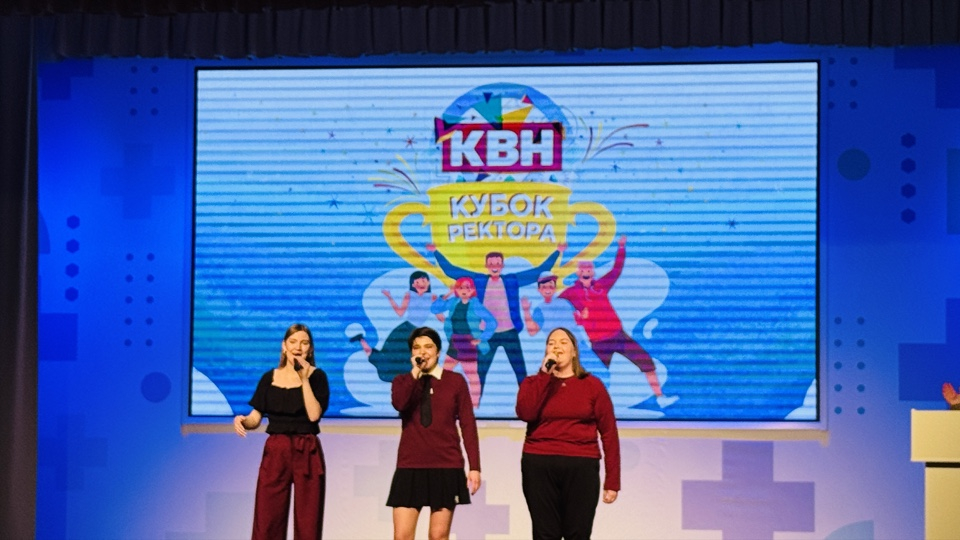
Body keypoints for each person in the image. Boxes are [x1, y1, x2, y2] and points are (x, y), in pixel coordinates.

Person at [515, 327, 620, 540]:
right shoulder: (533, 383)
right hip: (539, 464)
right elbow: (526, 412)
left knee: (578, 533)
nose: (557, 347)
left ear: (574, 352)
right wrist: (544, 375)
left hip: (581, 466)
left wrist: (612, 481)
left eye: (563, 342)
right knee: (545, 533)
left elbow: (609, 432)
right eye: (551, 343)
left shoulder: (592, 386)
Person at [234, 323, 330, 540]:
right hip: (277, 449)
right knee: (268, 517)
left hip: (307, 449)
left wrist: (304, 379)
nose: (298, 347)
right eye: (293, 342)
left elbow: (314, 415)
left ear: (310, 349)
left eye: (304, 343)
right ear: (284, 346)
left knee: (308, 521)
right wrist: (244, 421)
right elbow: (256, 417)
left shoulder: (317, 377)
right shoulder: (269, 377)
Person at [559, 235, 678, 409]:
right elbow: (557, 306)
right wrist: (577, 317)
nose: (586, 270)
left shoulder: (601, 285)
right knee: (592, 377)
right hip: (598, 342)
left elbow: (616, 269)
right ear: (577, 272)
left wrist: (621, 247)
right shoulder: (571, 293)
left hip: (618, 335)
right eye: (583, 268)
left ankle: (660, 398)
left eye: (589, 267)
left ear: (593, 271)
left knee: (646, 362)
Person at [428, 242, 566, 388]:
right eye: (491, 263)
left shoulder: (512, 280)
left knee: (520, 372)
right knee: (480, 374)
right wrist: (435, 252)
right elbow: (451, 271)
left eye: (498, 263)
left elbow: (539, 271)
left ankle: (528, 397)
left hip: (510, 332)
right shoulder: (479, 280)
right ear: (486, 265)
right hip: (487, 334)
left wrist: (557, 252)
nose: (495, 266)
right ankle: (476, 402)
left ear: (502, 265)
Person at [387, 326, 482, 540]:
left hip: (446, 465)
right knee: (402, 535)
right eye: (417, 348)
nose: (422, 351)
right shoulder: (402, 381)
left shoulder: (455, 381)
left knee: (438, 535)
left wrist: (475, 467)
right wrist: (415, 374)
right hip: (410, 466)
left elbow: (468, 423)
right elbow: (400, 403)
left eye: (428, 347)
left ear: (438, 352)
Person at [521, 271, 608, 387]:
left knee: (602, 375)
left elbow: (579, 319)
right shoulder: (540, 309)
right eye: (544, 287)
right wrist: (526, 310)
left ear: (555, 287)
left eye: (551, 286)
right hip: (559, 351)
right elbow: (532, 331)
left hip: (579, 346)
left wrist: (584, 316)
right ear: (539, 290)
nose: (548, 289)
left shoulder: (565, 302)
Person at [354, 270, 443, 382]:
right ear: (413, 284)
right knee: (388, 356)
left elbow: (439, 316)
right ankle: (361, 340)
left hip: (417, 332)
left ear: (429, 283)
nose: (422, 284)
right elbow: (400, 312)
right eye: (418, 281)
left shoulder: (433, 297)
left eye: (424, 281)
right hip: (404, 329)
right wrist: (389, 297)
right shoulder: (409, 295)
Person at [431, 276, 497, 408]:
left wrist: (482, 338)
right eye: (460, 287)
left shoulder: (476, 305)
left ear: (472, 290)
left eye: (467, 287)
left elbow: (492, 322)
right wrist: (448, 293)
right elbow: (435, 309)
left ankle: (474, 406)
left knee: (472, 378)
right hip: (454, 341)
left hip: (468, 343)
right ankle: (439, 403)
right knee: (443, 374)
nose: (464, 290)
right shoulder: (453, 302)